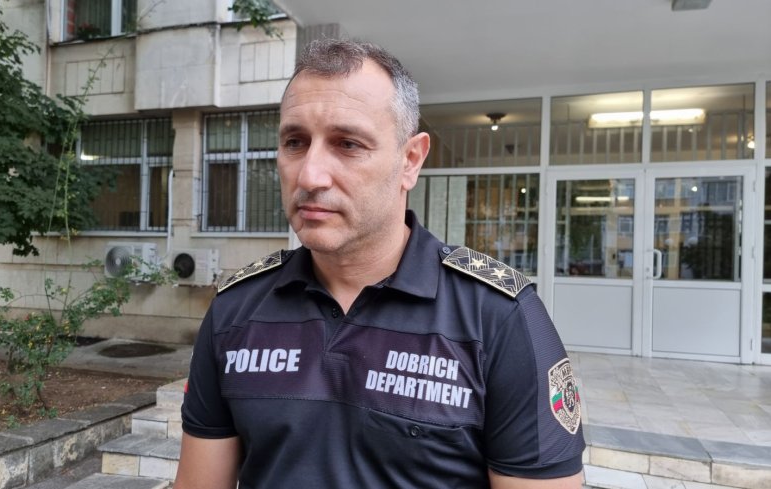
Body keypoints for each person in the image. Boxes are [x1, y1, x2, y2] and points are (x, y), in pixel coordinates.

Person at [174, 38, 585, 489]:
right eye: (294, 142)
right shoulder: (235, 309)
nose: (309, 175)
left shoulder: (499, 316)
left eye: (347, 144)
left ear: (410, 160)